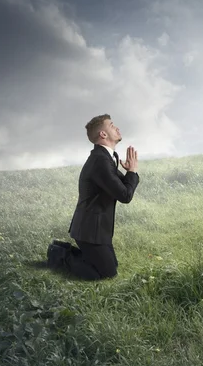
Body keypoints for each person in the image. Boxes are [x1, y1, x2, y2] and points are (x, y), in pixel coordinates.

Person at [47, 114, 140, 279]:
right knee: (105, 274)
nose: (117, 128)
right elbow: (125, 195)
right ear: (103, 134)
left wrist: (129, 173)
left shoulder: (105, 158)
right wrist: (132, 171)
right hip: (89, 231)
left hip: (98, 229)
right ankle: (60, 255)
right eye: (112, 126)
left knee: (112, 266)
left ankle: (65, 250)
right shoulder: (100, 161)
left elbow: (120, 186)